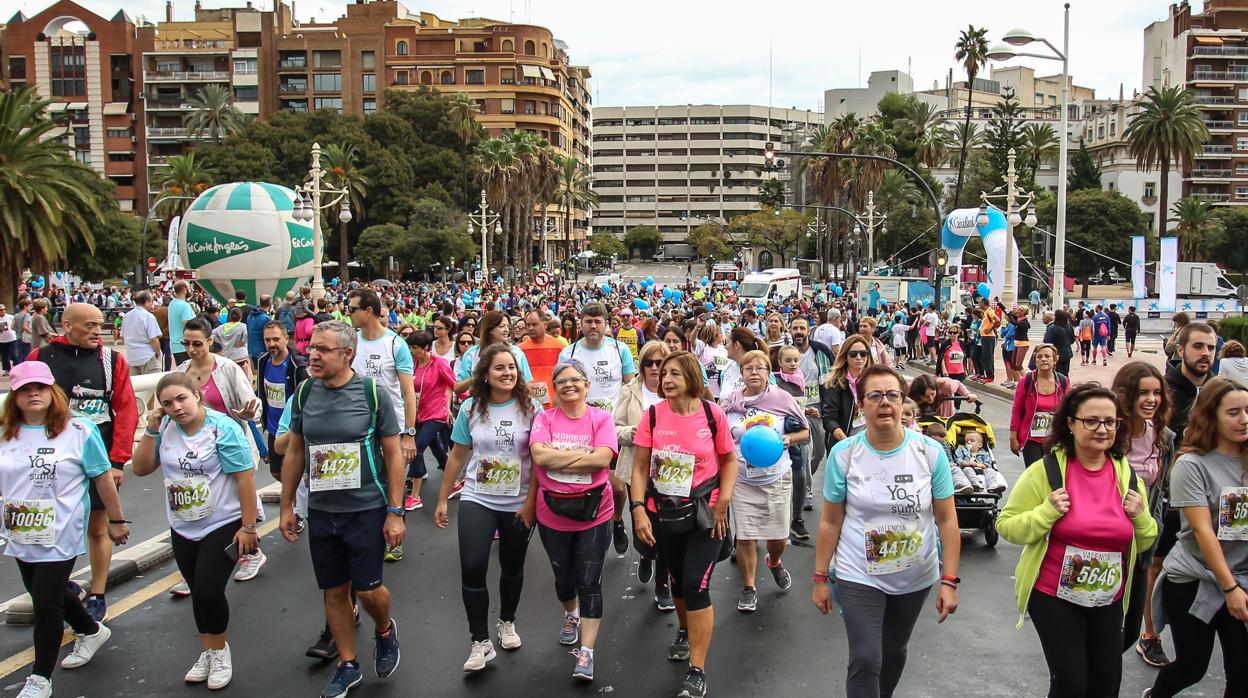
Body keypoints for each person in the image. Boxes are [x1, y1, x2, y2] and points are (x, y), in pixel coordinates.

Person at [998, 383, 1157, 698]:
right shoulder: (1046, 471)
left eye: (1110, 422)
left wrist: (1140, 517)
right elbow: (1007, 525)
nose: (1102, 429)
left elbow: (1148, 536)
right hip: (1055, 596)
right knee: (1071, 683)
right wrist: (1045, 513)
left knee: (1105, 685)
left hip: (1108, 597)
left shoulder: (1127, 475)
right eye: (1091, 421)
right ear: (1070, 423)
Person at [813, 364, 961, 698]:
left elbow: (947, 520)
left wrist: (949, 581)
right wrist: (820, 577)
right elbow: (830, 521)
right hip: (857, 572)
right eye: (875, 396)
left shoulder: (929, 453)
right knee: (866, 657)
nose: (885, 403)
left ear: (903, 401)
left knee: (894, 652)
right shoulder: (844, 454)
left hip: (915, 574)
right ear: (861, 404)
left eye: (893, 395)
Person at [277, 320, 405, 698]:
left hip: (366, 507)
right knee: (334, 591)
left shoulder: (372, 393)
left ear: (347, 353)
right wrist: (287, 506)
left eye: (323, 349)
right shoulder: (303, 394)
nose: (312, 355)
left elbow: (393, 454)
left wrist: (395, 511)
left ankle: (384, 629)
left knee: (368, 591)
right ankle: (347, 664)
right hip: (321, 509)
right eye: (311, 348)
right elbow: (296, 450)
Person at [0, 362, 129, 698]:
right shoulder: (4, 431)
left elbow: (102, 476)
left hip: (62, 531)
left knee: (45, 603)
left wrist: (116, 520)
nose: (33, 394)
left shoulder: (78, 430)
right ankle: (89, 629)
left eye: (40, 388)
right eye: (25, 389)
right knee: (48, 594)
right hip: (21, 531)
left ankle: (40, 678)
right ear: (14, 396)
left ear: (51, 391)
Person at [131, 372, 262, 690]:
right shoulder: (164, 428)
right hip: (183, 524)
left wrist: (248, 527)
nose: (176, 407)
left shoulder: (222, 427)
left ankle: (219, 653)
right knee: (197, 592)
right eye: (167, 403)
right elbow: (141, 467)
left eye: (181, 398)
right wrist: (150, 428)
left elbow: (244, 479)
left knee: (207, 590)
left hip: (223, 521)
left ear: (197, 395)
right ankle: (208, 649)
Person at [631, 351, 738, 698]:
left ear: (691, 377)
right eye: (664, 374)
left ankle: (697, 668)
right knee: (677, 581)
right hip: (663, 511)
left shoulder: (712, 414)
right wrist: (636, 509)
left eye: (675, 373)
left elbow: (729, 460)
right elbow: (638, 467)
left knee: (695, 584)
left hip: (706, 512)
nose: (667, 379)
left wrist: (723, 499)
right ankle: (683, 628)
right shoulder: (652, 415)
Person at [434, 344, 541, 673]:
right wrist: (440, 499)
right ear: (485, 374)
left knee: (511, 567)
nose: (508, 372)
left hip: (518, 502)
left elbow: (539, 460)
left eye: (512, 367)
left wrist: (531, 503)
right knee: (473, 565)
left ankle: (506, 622)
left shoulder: (532, 407)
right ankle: (479, 641)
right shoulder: (471, 408)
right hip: (477, 498)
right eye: (500, 368)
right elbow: (457, 454)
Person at [29, 303, 136, 623]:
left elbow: (127, 409)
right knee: (47, 525)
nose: (96, 331)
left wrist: (117, 461)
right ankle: (63, 585)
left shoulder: (112, 360)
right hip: (50, 457)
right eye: (88, 325)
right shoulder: (41, 358)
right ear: (66, 326)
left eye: (99, 325)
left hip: (96, 455)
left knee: (97, 526)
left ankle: (98, 594)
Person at [1147, 377, 1248, 698]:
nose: (1244, 418)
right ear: (1211, 416)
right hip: (1194, 581)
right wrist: (1229, 587)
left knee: (1243, 673)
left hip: (1242, 580)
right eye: (1233, 412)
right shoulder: (1191, 465)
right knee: (1193, 667)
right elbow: (1203, 531)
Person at [528, 359, 618, 682]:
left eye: (575, 380)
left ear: (586, 385)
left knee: (589, 581)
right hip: (552, 514)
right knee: (564, 580)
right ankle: (571, 614)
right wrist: (585, 459)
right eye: (562, 381)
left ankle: (587, 652)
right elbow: (540, 456)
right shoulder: (544, 417)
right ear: (554, 387)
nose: (569, 385)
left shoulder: (601, 417)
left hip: (595, 513)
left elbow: (603, 459)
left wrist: (560, 459)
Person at [174, 318, 265, 585]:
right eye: (187, 343)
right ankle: (197, 563)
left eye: (197, 344)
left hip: (228, 448)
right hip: (196, 452)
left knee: (235, 504)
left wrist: (248, 413)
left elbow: (250, 401)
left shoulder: (226, 369)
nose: (191, 349)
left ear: (210, 341)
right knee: (202, 504)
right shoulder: (181, 371)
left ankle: (251, 552)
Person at [721, 350, 808, 612]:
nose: (754, 372)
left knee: (778, 535)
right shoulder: (731, 403)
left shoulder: (782, 398)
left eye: (760, 368)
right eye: (749, 368)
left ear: (768, 372)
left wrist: (788, 439)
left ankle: (774, 561)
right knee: (746, 537)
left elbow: (803, 430)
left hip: (776, 477)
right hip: (743, 479)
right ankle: (749, 587)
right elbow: (722, 438)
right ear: (742, 373)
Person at [558, 303, 636, 557]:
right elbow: (561, 388)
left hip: (613, 428)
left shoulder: (619, 349)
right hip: (580, 427)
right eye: (588, 321)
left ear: (606, 323)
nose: (593, 326)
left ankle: (616, 520)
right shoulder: (569, 352)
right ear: (580, 323)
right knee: (586, 482)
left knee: (618, 486)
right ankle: (589, 527)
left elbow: (630, 386)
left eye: (598, 321)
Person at [1112, 362, 1176, 667]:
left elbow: (1161, 489)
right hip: (1107, 537)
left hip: (1142, 536)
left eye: (1156, 393)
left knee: (1129, 625)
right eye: (1143, 393)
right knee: (1105, 618)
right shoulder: (1110, 432)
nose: (1151, 399)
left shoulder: (1164, 437)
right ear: (1126, 395)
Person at [347, 289, 419, 561]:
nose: (348, 313)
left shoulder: (395, 344)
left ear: (368, 310)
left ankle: (395, 535)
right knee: (365, 482)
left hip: (392, 428)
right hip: (358, 428)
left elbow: (408, 393)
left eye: (352, 309)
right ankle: (367, 535)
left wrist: (409, 434)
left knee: (394, 483)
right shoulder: (351, 342)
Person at [613, 340, 675, 608]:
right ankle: (646, 555)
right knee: (643, 520)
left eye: (659, 363)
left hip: (669, 469)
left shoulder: (675, 390)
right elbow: (614, 429)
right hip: (636, 469)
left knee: (665, 526)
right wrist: (635, 433)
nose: (653, 367)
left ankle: (663, 586)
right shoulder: (630, 391)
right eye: (648, 363)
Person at [256, 320, 308, 527]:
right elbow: (262, 390)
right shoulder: (262, 361)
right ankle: (299, 494)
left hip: (292, 430)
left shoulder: (297, 366)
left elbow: (304, 397)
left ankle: (299, 512)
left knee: (291, 471)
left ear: (286, 339)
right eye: (267, 340)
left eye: (276, 339)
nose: (272, 344)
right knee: (277, 472)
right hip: (272, 426)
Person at [403, 330, 455, 510]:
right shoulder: (412, 363)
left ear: (425, 347)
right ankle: (454, 481)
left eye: (415, 347)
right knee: (439, 451)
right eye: (409, 347)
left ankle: (415, 496)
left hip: (437, 414)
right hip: (418, 413)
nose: (411, 350)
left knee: (416, 448)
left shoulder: (440, 363)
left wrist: (457, 404)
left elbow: (454, 384)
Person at [1009, 344, 1069, 468]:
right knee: (1035, 475)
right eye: (1039, 357)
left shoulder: (1063, 381)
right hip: (1032, 439)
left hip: (1054, 438)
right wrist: (1013, 437)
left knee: (1053, 476)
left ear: (1055, 359)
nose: (1043, 359)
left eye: (1047, 356)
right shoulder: (1027, 380)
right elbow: (1017, 410)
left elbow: (1068, 411)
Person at [827, 335, 875, 445]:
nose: (859, 358)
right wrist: (845, 441)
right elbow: (829, 419)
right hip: (845, 440)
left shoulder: (874, 381)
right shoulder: (835, 383)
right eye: (853, 354)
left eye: (863, 354)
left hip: (870, 442)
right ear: (845, 356)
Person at [519, 309, 565, 409]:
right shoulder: (519, 350)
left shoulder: (559, 347)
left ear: (545, 325)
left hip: (554, 406)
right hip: (528, 405)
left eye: (534, 324)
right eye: (528, 325)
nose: (530, 328)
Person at [119, 291, 162, 375]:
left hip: (132, 357)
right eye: (151, 301)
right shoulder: (148, 316)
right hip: (147, 356)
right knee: (152, 385)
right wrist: (158, 353)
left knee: (137, 386)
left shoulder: (127, 316)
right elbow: (153, 338)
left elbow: (123, 337)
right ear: (147, 302)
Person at [952, 429, 1006, 493]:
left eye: (972, 441)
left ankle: (992, 485)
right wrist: (966, 463)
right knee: (967, 469)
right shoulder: (961, 450)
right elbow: (957, 459)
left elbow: (988, 463)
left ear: (979, 445)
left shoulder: (984, 453)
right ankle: (976, 483)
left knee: (990, 470)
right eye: (966, 441)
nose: (968, 442)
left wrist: (979, 465)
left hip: (981, 469)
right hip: (967, 468)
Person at [168, 281, 197, 365]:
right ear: (184, 290)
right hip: (185, 346)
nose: (191, 290)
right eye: (189, 287)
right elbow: (188, 325)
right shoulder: (185, 306)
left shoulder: (172, 304)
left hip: (175, 345)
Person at [1042, 309, 1077, 377]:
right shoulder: (1069, 327)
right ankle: (1066, 386)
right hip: (1067, 353)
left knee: (1056, 374)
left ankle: (1058, 386)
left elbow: (1047, 341)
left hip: (1056, 354)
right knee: (1065, 373)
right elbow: (1072, 340)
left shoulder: (1053, 328)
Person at [245, 295, 273, 371]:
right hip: (262, 352)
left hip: (250, 350)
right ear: (270, 304)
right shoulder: (266, 318)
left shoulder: (250, 315)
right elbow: (269, 337)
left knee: (255, 374)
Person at [0, 302, 16, 375]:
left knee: (13, 353)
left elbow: (16, 324)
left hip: (11, 338)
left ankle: (17, 366)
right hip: (2, 340)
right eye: (1, 310)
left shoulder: (10, 317)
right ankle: (6, 369)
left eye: (4, 309)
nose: (3, 311)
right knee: (4, 355)